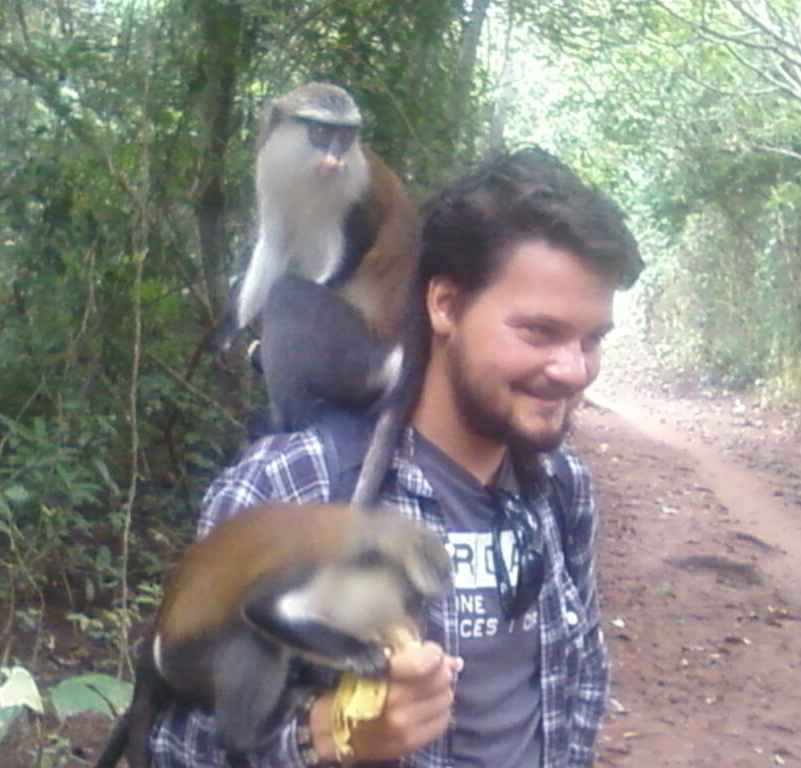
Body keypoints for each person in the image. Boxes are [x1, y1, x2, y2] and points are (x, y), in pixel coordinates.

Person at [150, 146, 643, 767]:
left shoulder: (559, 487)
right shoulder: (291, 483)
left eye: (592, 339)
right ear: (444, 305)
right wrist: (321, 737)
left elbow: (581, 681)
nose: (574, 370)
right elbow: (176, 743)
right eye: (539, 332)